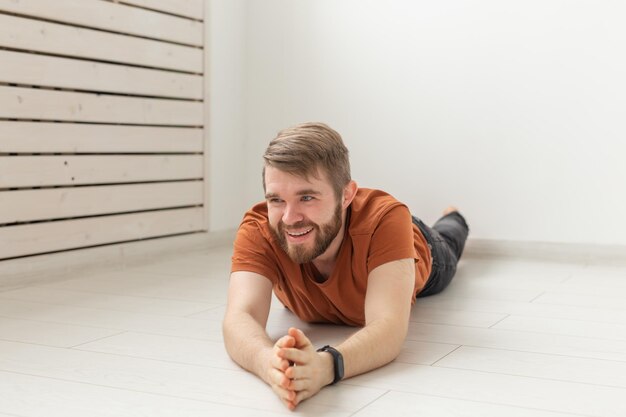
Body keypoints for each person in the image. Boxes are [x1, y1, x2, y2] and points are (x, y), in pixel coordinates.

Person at [223, 122, 469, 410]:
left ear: (347, 195)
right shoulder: (260, 228)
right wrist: (270, 365)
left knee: (450, 238)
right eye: (276, 199)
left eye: (307, 197)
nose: (289, 217)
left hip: (422, 248)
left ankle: (454, 216)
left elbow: (388, 326)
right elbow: (240, 317)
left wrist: (325, 366)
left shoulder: (386, 218)